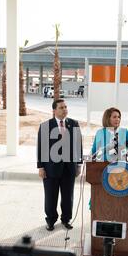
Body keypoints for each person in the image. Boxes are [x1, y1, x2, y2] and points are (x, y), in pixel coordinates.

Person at [37, 99, 82, 231]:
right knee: (51, 196)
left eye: (66, 107)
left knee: (68, 196)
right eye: (61, 107)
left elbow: (78, 145)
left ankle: (66, 219)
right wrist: (41, 167)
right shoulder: (46, 126)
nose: (64, 109)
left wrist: (79, 164)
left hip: (69, 168)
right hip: (50, 168)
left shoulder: (74, 124)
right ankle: (50, 220)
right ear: (54, 110)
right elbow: (41, 148)